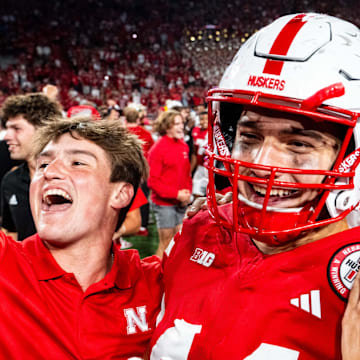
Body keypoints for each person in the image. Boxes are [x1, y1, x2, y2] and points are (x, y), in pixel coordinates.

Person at [149, 13, 360, 359]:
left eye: (299, 144)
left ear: (351, 156)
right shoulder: (199, 229)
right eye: (249, 136)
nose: (261, 164)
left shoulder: (349, 278)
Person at [0, 116, 162, 358]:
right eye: (42, 165)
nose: (49, 172)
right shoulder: (6, 264)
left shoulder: (157, 285)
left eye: (77, 162)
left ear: (120, 194)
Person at [0, 93, 62, 240]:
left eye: (16, 128)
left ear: (43, 130)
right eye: (8, 128)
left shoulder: (73, 179)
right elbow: (12, 233)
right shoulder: (11, 182)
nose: (7, 136)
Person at [148, 110, 192, 258]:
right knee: (166, 244)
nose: (181, 127)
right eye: (176, 124)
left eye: (182, 123)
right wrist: (176, 194)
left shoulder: (183, 145)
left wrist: (187, 193)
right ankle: (155, 278)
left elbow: (186, 174)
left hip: (181, 203)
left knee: (179, 242)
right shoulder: (158, 149)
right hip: (164, 204)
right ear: (167, 127)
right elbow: (152, 181)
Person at [191, 109, 209, 197]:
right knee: (196, 193)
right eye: (202, 119)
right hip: (199, 167)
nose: (204, 121)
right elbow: (194, 152)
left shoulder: (212, 132)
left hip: (208, 168)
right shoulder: (195, 130)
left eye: (207, 119)